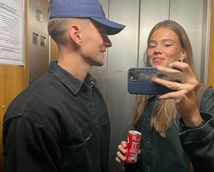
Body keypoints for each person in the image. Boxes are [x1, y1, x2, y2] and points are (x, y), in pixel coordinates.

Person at [2, 0, 124, 172]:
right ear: (76, 34)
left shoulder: (92, 92)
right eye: (102, 32)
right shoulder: (32, 115)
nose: (108, 42)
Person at [116, 20, 214, 172]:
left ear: (183, 53)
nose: (156, 50)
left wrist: (192, 116)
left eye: (166, 44)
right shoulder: (147, 97)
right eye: (152, 45)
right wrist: (131, 160)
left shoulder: (205, 97)